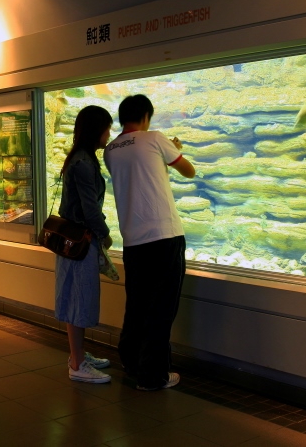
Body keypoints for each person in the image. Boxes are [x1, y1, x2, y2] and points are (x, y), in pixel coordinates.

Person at [103, 94, 196, 391]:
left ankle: (131, 363)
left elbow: (140, 173)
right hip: (164, 235)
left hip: (133, 240)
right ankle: (153, 376)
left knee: (138, 304)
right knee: (162, 308)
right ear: (146, 117)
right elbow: (189, 170)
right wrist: (174, 150)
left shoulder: (110, 149)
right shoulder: (155, 138)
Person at [54, 105, 115, 384]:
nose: (109, 134)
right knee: (79, 298)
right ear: (96, 130)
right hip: (80, 241)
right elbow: (89, 209)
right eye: (107, 128)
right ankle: (77, 365)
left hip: (73, 241)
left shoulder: (79, 158)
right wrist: (105, 233)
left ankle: (77, 355)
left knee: (73, 296)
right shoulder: (84, 162)